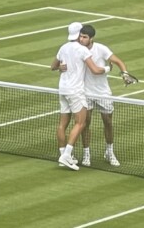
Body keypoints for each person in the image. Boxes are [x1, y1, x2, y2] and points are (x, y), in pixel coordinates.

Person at [50, 22, 111, 171]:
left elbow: (53, 66)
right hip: (75, 92)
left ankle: (62, 154)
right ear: (79, 34)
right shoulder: (82, 50)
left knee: (62, 124)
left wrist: (60, 67)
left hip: (62, 90)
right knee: (81, 123)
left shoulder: (63, 47)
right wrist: (108, 68)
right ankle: (67, 155)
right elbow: (96, 70)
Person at [77, 24, 128, 168]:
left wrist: (124, 73)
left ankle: (109, 152)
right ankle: (86, 154)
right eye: (80, 36)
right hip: (85, 92)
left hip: (103, 93)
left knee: (108, 123)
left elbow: (119, 61)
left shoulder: (101, 49)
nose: (81, 39)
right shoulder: (77, 49)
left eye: (84, 37)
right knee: (85, 123)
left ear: (91, 38)